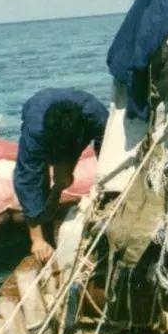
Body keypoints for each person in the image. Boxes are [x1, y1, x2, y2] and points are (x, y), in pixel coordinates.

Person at [14, 88, 108, 263]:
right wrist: (37, 239)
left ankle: (57, 191)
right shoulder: (35, 130)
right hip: (42, 118)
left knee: (64, 179)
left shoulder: (97, 117)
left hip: (79, 127)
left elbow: (108, 155)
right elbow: (27, 179)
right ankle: (44, 236)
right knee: (38, 181)